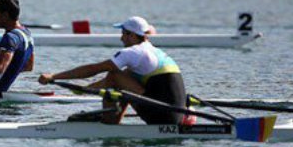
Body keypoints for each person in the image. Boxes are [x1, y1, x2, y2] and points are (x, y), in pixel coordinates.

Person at [38, 16, 185, 125]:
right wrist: (86, 89)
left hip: (161, 116)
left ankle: (109, 123)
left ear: (132, 35)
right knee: (125, 74)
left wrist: (54, 76)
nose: (121, 38)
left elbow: (95, 69)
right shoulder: (155, 51)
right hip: (176, 115)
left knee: (114, 74)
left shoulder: (134, 52)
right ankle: (97, 103)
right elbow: (122, 79)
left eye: (123, 33)